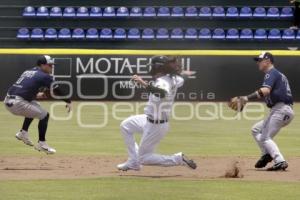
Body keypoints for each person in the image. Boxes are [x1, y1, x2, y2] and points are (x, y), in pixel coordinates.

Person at [117, 55, 197, 171]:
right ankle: (134, 162)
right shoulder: (174, 78)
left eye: (153, 66)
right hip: (148, 119)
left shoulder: (162, 81)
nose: (151, 68)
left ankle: (177, 159)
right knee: (126, 125)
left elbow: (162, 93)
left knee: (144, 157)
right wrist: (182, 72)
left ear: (158, 67)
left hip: (156, 125)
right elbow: (183, 77)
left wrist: (142, 83)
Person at [229, 52, 294, 171]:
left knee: (265, 137)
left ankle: (280, 160)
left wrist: (246, 98)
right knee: (256, 129)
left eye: (260, 60)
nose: (258, 63)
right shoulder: (276, 74)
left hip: (280, 109)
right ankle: (266, 154)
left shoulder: (271, 73)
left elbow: (265, 90)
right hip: (282, 110)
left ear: (268, 61)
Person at [3, 55, 72, 154]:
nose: (51, 67)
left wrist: (36, 94)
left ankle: (23, 132)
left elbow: (22, 88)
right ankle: (42, 144)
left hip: (9, 100)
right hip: (17, 103)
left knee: (34, 106)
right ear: (42, 65)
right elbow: (57, 90)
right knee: (44, 115)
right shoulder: (44, 76)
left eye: (52, 65)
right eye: (49, 65)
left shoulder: (28, 71)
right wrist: (68, 101)